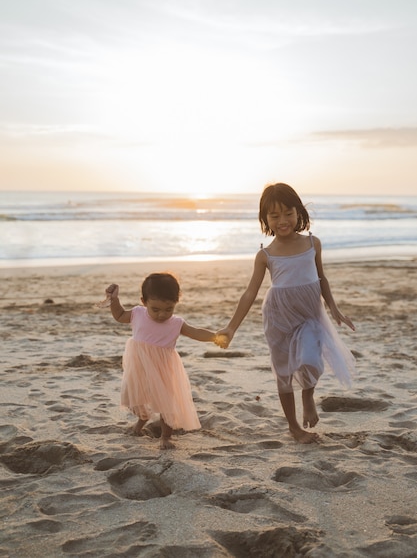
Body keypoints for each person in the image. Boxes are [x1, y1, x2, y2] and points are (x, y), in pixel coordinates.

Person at [217, 183, 356, 444]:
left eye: (288, 213)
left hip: (309, 314)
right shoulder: (265, 255)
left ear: (298, 212)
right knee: (283, 371)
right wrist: (231, 327)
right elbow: (249, 293)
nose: (282, 221)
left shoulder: (313, 243)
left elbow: (321, 277)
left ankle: (308, 396)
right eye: (274, 215)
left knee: (312, 360)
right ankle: (294, 427)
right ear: (265, 219)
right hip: (279, 316)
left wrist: (334, 308)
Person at [104, 272, 222, 449]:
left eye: (169, 309)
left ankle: (166, 437)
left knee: (166, 402)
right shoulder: (137, 314)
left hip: (164, 368)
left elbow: (196, 332)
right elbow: (119, 315)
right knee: (137, 398)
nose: (162, 315)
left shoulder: (176, 323)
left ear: (176, 303)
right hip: (139, 365)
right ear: (144, 302)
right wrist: (114, 299)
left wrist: (215, 337)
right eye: (156, 309)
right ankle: (141, 421)